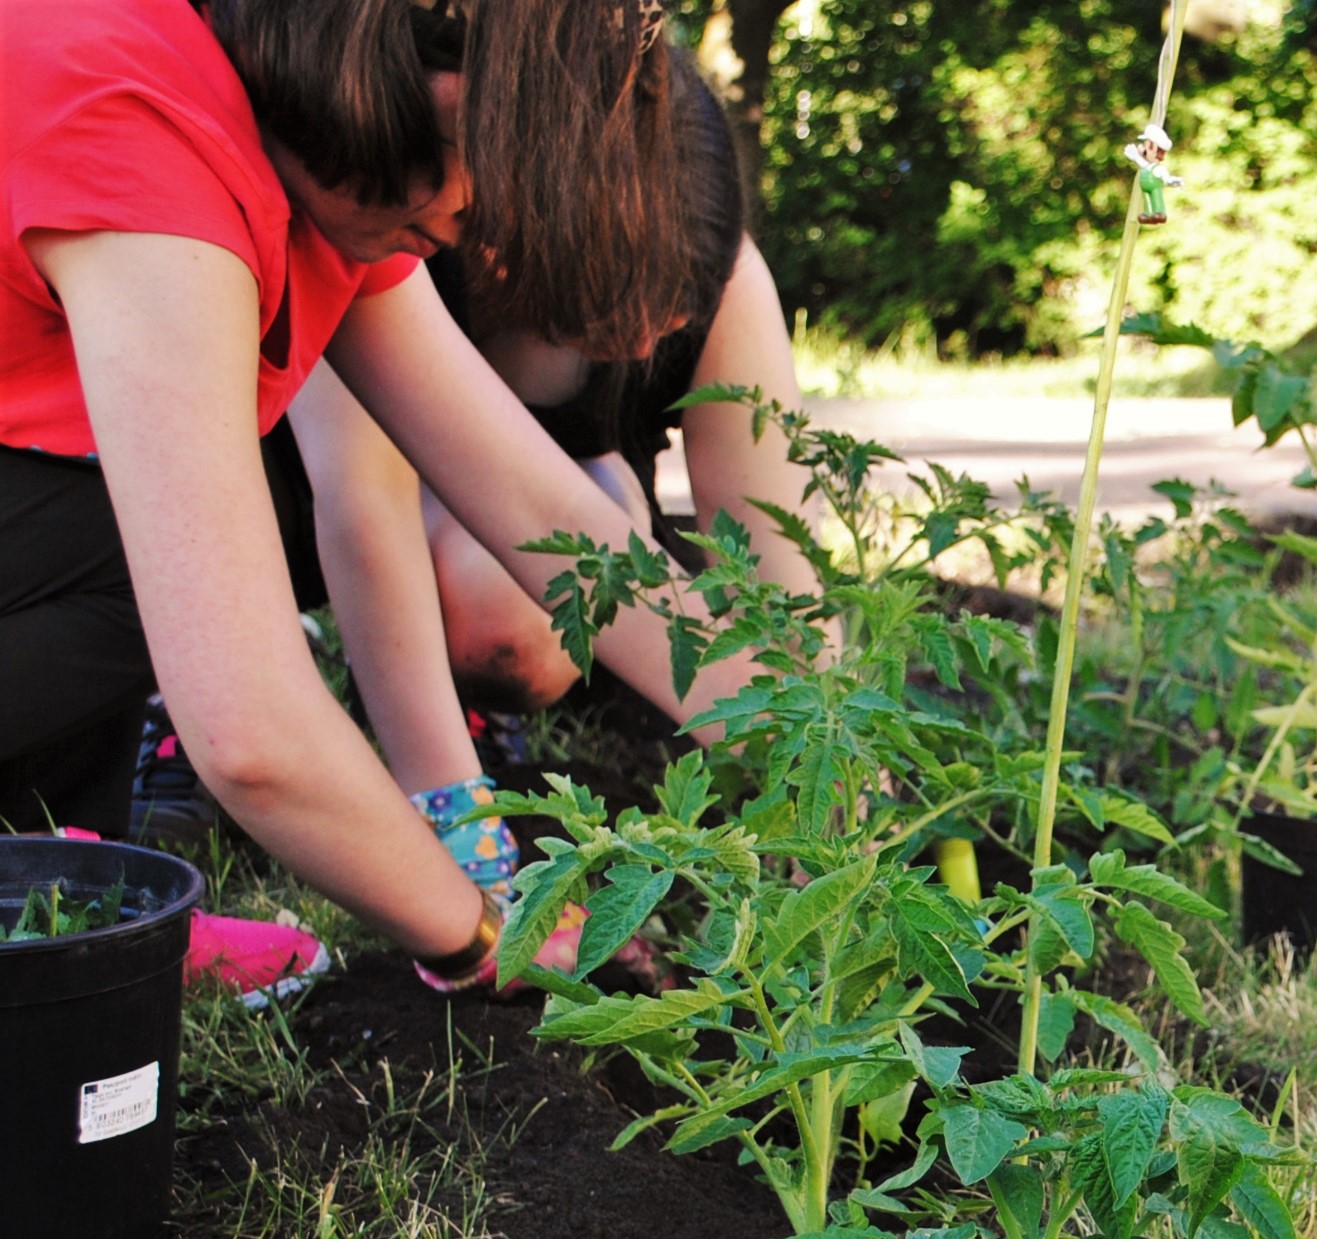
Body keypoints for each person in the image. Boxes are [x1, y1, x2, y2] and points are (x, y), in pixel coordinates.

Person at [0, 0, 760, 994]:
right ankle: (56, 891)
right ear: (399, 76)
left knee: (186, 527)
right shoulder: (146, 136)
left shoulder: (302, 161)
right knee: (182, 543)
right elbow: (253, 736)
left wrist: (786, 714)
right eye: (475, 164)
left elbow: (535, 504)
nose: (465, 221)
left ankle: (61, 887)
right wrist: (484, 937)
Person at [249, 40, 818, 900]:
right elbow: (363, 505)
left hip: (557, 524)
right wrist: (461, 829)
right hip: (296, 510)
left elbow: (781, 566)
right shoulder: (392, 211)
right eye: (623, 300)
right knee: (481, 608)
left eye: (677, 311)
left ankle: (535, 688)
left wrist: (826, 747)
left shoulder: (725, 275)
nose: (639, 342)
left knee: (526, 617)